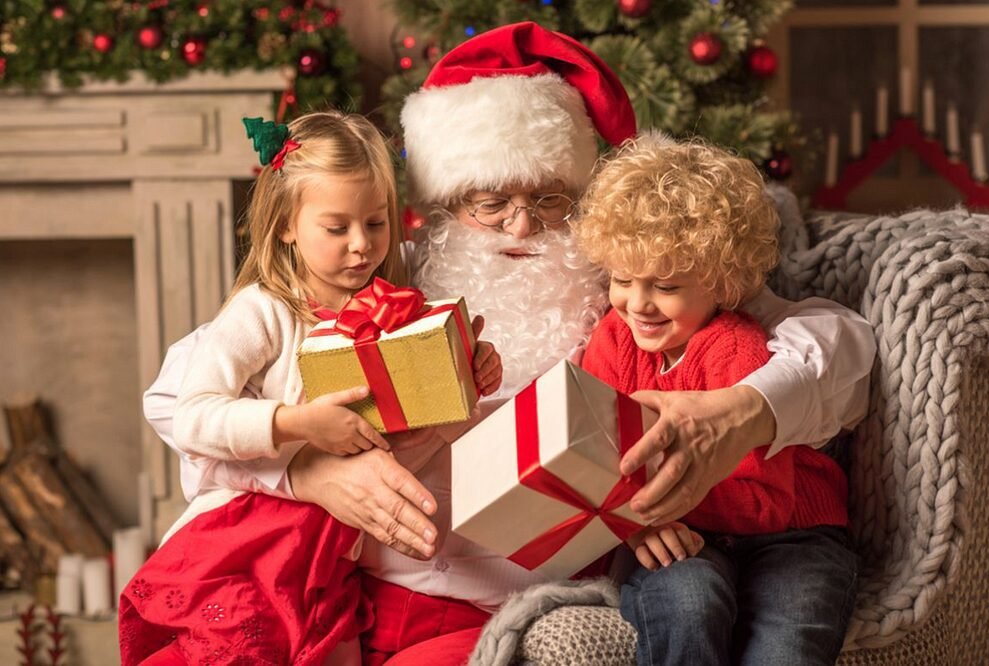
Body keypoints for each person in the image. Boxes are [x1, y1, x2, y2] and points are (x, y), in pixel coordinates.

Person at [140, 21, 875, 664]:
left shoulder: (633, 288)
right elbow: (187, 415)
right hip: (366, 597)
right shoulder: (380, 288)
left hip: (523, 595)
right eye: (490, 203)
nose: (522, 229)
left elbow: (836, 341)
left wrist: (745, 409)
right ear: (445, 207)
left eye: (549, 200)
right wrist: (306, 475)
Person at [118, 110, 502, 665]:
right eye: (336, 227)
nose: (361, 246)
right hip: (253, 538)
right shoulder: (265, 312)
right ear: (286, 226)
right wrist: (297, 423)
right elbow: (193, 415)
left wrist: (468, 371)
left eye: (375, 223)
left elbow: (411, 432)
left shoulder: (393, 304)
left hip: (334, 553)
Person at [576, 134, 857, 665]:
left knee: (789, 635)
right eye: (622, 279)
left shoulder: (738, 347)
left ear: (721, 282)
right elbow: (592, 457)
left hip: (791, 529)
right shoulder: (611, 341)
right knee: (685, 602)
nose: (638, 304)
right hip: (677, 530)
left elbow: (766, 503)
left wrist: (650, 504)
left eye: (666, 285)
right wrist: (636, 523)